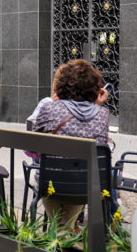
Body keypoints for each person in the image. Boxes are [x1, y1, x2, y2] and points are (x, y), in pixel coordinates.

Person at [32, 59, 109, 228]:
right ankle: (66, 230)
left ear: (62, 85)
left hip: (52, 183)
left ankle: (63, 231)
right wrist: (97, 104)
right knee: (77, 178)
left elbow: (33, 147)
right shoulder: (103, 113)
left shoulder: (49, 108)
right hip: (86, 185)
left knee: (61, 224)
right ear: (95, 87)